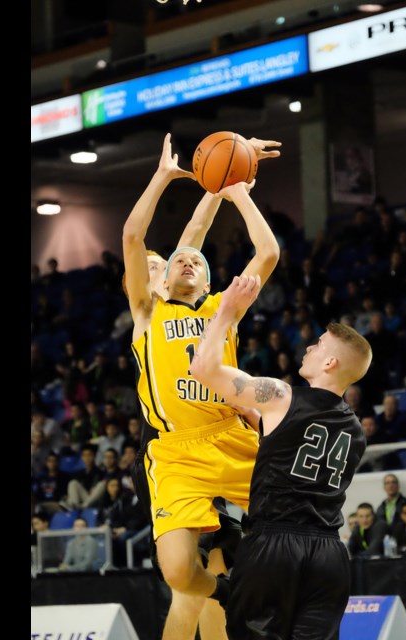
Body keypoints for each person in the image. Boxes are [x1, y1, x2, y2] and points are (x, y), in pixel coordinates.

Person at [122, 134, 281, 640]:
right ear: (159, 281)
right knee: (185, 578)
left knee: (287, 530)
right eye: (165, 262)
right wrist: (167, 176)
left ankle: (282, 600)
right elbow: (135, 237)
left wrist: (228, 183)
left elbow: (205, 240)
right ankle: (234, 595)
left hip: (228, 434)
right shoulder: (148, 310)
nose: (177, 260)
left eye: (188, 261)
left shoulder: (218, 307)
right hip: (171, 448)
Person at [189, 274, 372, 640]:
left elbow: (202, 370)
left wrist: (225, 311)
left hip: (274, 546)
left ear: (331, 362)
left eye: (318, 345)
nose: (308, 349)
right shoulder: (356, 432)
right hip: (329, 555)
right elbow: (299, 451)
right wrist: (260, 422)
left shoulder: (280, 395)